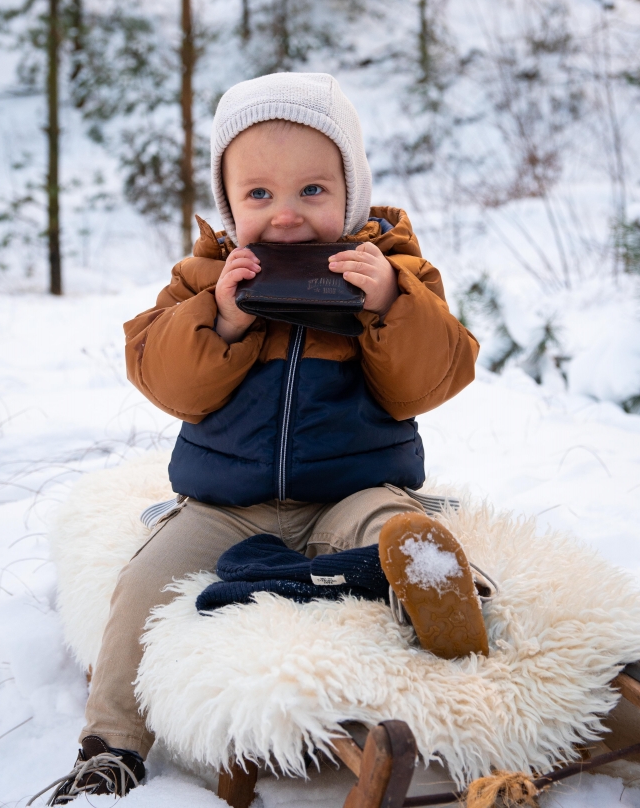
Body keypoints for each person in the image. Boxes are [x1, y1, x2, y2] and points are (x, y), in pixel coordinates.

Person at [39, 72, 484, 804]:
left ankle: (444, 590)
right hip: (226, 502)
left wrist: (388, 302)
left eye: (312, 191)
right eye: (258, 195)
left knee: (391, 526)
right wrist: (222, 319)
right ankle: (111, 743)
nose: (285, 216)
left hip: (351, 489)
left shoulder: (392, 271)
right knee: (143, 584)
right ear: (227, 203)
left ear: (352, 191)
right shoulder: (204, 278)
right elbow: (168, 383)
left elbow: (426, 384)